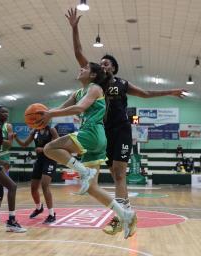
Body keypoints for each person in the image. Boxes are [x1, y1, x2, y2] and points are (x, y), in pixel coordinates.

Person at [65, 7, 187, 235]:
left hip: (121, 129)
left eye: (107, 63)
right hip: (101, 131)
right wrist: (74, 27)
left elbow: (147, 94)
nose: (102, 64)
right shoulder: (95, 81)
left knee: (120, 173)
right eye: (100, 62)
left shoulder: (122, 83)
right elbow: (79, 52)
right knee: (112, 173)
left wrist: (170, 91)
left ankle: (122, 217)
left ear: (114, 67)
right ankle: (123, 214)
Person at [37, 62, 137, 239]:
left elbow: (79, 108)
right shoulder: (77, 93)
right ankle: (125, 215)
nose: (80, 69)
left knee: (49, 147)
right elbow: (61, 107)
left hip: (91, 133)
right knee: (92, 189)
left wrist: (51, 115)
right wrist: (46, 115)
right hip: (96, 140)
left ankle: (84, 171)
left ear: (92, 75)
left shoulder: (95, 88)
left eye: (84, 68)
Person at [14, 126, 59, 224]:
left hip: (50, 160)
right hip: (39, 161)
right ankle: (39, 208)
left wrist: (43, 149)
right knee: (33, 188)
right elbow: (24, 144)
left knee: (44, 185)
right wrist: (16, 138)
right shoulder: (35, 131)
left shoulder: (51, 130)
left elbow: (58, 145)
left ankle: (52, 214)